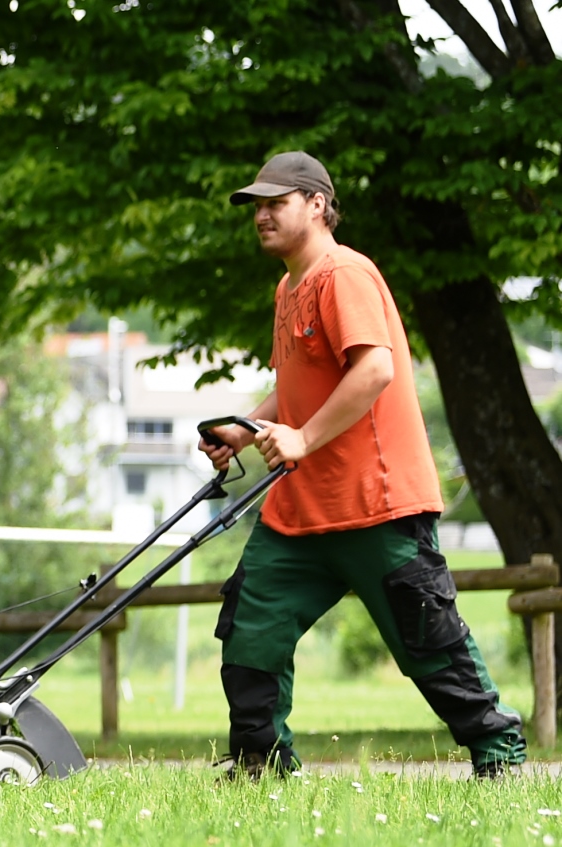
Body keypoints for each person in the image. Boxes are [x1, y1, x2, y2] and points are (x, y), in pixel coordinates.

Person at [203, 151, 528, 780]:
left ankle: (499, 753)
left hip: (377, 504)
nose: (262, 215)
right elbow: (298, 387)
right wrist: (247, 429)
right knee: (251, 628)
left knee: (426, 641)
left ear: (318, 205)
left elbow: (373, 369)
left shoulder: (343, 274)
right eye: (257, 206)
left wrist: (300, 441)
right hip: (299, 512)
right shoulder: (290, 286)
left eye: (277, 202)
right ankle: (261, 766)